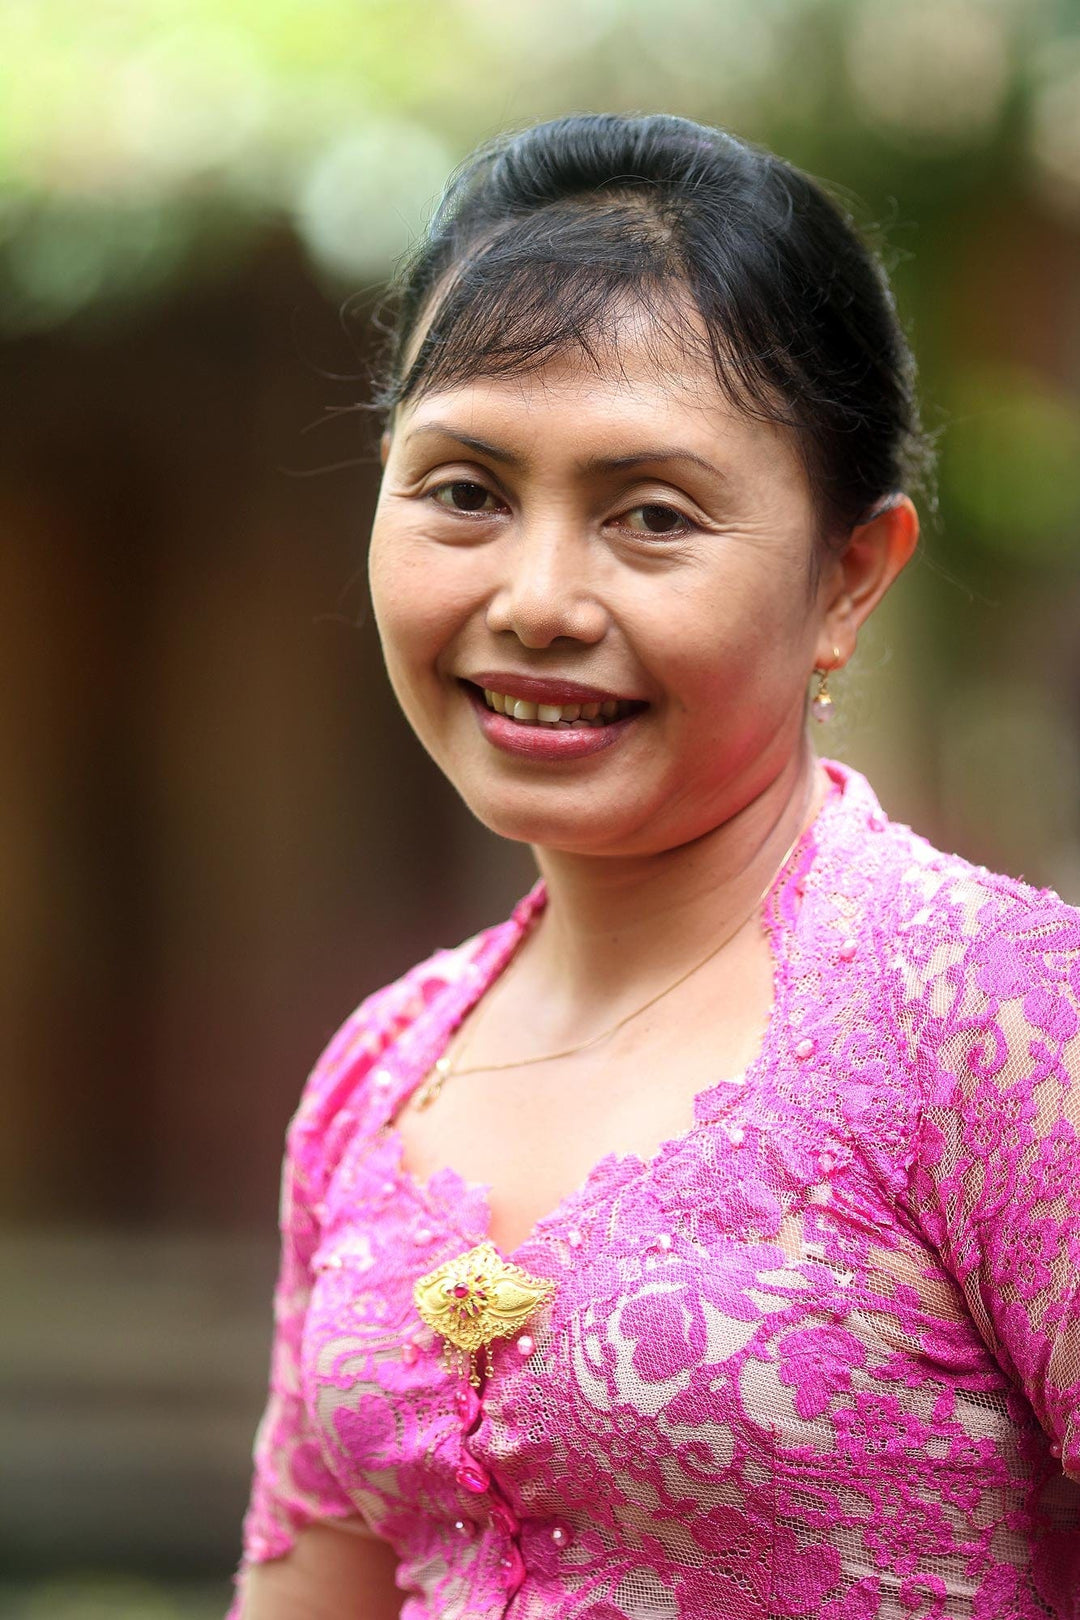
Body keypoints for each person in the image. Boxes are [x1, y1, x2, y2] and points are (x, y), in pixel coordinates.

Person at [229, 114, 1080, 1619]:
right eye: (465, 492)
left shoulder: (999, 1030)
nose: (537, 599)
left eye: (653, 516)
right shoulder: (377, 1079)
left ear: (847, 576)